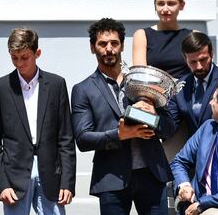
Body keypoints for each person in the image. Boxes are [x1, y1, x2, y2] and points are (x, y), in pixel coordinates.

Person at [71, 18, 174, 215]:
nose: (109, 49)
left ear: (122, 46)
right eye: (102, 44)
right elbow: (83, 139)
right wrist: (119, 134)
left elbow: (169, 128)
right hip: (111, 178)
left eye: (114, 43)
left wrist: (154, 115)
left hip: (152, 174)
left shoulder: (144, 80)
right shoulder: (83, 89)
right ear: (93, 48)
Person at [0, 28, 76, 215]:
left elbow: (66, 138)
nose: (19, 63)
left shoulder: (56, 84)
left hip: (52, 175)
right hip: (14, 177)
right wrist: (1, 183)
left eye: (24, 57)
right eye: (14, 57)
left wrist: (67, 182)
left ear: (38, 53)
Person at [171, 80, 218, 215]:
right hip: (196, 202)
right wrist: (184, 185)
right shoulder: (208, 127)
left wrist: (203, 203)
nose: (210, 103)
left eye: (213, 99)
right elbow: (179, 161)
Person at [168, 32, 218, 138]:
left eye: (203, 60)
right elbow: (168, 126)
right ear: (185, 60)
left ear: (212, 54)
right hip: (194, 151)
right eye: (193, 62)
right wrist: (147, 112)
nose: (199, 67)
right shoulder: (180, 87)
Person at [132, 0, 193, 79]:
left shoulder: (192, 36)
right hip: (152, 92)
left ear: (182, 5)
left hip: (187, 93)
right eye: (160, 4)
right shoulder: (142, 35)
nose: (165, 9)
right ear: (155, 5)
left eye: (171, 4)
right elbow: (140, 77)